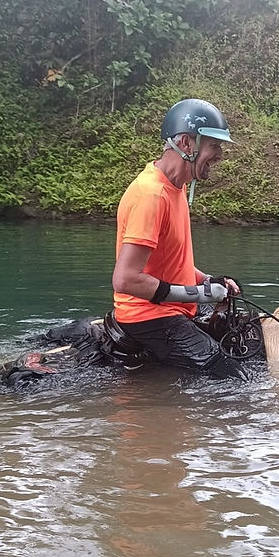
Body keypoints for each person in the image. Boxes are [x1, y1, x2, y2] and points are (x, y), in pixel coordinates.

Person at [110, 98, 246, 379]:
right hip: (149, 317)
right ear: (186, 143)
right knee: (235, 381)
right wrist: (200, 294)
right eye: (214, 145)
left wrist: (207, 280)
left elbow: (171, 261)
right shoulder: (151, 195)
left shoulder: (177, 186)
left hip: (173, 310)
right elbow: (125, 280)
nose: (220, 155)